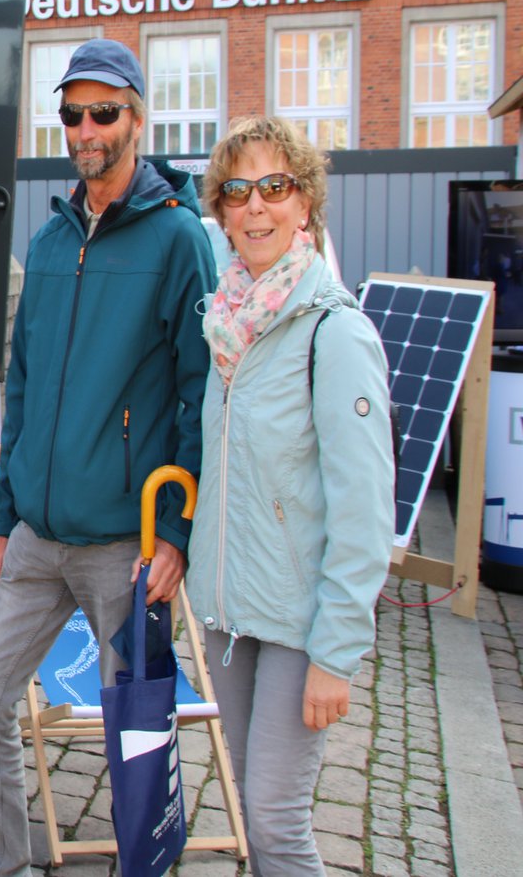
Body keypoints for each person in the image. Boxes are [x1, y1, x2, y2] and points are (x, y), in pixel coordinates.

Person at [0, 38, 216, 876]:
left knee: (135, 729)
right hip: (38, 534)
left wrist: (175, 528)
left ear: (137, 118)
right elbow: (23, 386)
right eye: (72, 113)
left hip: (124, 544)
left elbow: (197, 390)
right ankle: (5, 859)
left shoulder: (178, 239)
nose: (86, 127)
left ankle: (143, 864)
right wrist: (0, 516)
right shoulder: (55, 234)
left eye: (104, 111)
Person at [187, 116, 394, 874]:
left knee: (275, 823)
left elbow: (367, 513)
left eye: (274, 187)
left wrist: (337, 655)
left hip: (300, 627)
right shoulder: (228, 325)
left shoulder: (332, 333)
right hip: (230, 619)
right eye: (237, 191)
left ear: (304, 203)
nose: (255, 207)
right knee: (248, 804)